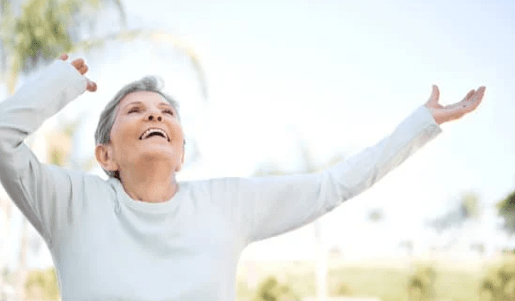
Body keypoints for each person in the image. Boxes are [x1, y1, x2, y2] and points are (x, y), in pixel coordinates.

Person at [0, 53, 485, 301]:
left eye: (167, 112)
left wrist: (421, 124)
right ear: (105, 154)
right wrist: (59, 82)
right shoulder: (68, 202)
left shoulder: (226, 203)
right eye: (136, 111)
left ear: (182, 153)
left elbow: (333, 185)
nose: (156, 117)